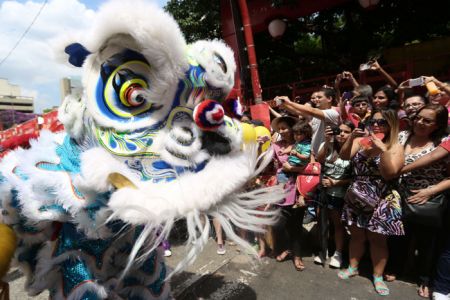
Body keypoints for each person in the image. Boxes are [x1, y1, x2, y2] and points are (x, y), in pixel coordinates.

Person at [338, 109, 404, 296]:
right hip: (357, 194)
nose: (376, 125)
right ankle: (353, 267)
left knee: (378, 239)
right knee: (357, 234)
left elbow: (390, 173)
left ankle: (377, 276)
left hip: (382, 196)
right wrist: (351, 137)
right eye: (372, 122)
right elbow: (344, 156)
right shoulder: (361, 141)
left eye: (382, 122)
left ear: (391, 124)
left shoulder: (395, 146)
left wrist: (382, 150)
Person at [397, 104, 450, 298]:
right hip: (397, 195)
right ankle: (398, 267)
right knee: (400, 236)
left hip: (426, 199)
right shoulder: (402, 136)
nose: (420, 122)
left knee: (426, 243)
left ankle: (424, 278)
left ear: (438, 125)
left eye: (427, 120)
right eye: (418, 117)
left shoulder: (443, 142)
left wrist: (431, 190)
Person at [314, 121, 354, 268]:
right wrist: (326, 141)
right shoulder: (328, 145)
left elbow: (356, 177)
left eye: (346, 132)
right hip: (323, 192)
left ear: (352, 134)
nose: (341, 134)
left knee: (337, 224)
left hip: (340, 193)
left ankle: (338, 253)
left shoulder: (353, 150)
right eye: (339, 131)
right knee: (323, 222)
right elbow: (319, 160)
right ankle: (322, 250)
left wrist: (336, 183)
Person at [270, 115, 308, 271]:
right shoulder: (276, 145)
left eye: (284, 128)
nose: (281, 131)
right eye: (279, 129)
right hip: (281, 188)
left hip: (300, 188)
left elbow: (311, 165)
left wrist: (293, 169)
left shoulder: (303, 145)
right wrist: (259, 146)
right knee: (279, 224)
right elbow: (266, 163)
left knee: (296, 225)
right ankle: (287, 248)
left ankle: (296, 255)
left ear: (293, 128)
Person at [276, 87, 341, 154]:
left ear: (329, 99)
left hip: (327, 157)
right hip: (314, 156)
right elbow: (296, 111)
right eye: (315, 97)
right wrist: (283, 104)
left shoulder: (333, 113)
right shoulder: (315, 115)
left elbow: (312, 110)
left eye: (319, 97)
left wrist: (290, 102)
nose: (316, 99)